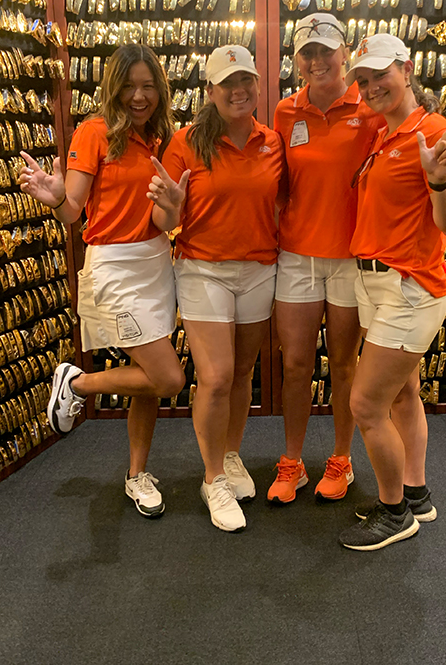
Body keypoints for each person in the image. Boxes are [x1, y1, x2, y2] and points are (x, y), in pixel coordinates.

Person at [19, 43, 186, 518]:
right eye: (130, 86)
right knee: (168, 378)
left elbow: (163, 212)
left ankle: (137, 474)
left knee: (150, 383)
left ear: (160, 89)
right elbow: (73, 208)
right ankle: (79, 385)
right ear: (113, 87)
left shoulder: (160, 137)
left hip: (156, 263)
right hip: (114, 266)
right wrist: (54, 198)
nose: (139, 96)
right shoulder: (93, 132)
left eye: (148, 86)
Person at [337, 33, 446, 551]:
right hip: (376, 279)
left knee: (366, 404)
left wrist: (439, 185)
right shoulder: (382, 132)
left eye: (379, 76)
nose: (370, 88)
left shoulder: (433, 132)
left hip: (409, 284)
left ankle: (394, 513)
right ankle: (416, 494)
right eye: (362, 81)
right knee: (404, 392)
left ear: (408, 69)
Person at [150, 45, 284, 532]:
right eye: (227, 83)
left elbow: (282, 202)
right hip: (203, 269)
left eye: (245, 80)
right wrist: (171, 205)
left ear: (257, 85)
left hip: (259, 268)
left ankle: (230, 455)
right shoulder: (186, 143)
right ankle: (212, 479)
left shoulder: (273, 141)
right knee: (217, 376)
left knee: (243, 369)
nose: (238, 91)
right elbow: (163, 217)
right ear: (210, 91)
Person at [267, 12, 382, 505]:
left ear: (345, 53)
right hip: (296, 255)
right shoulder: (284, 112)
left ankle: (341, 458)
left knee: (342, 364)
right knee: (295, 364)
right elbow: (280, 185)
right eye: (307, 53)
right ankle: (291, 461)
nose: (316, 61)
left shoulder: (369, 108)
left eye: (325, 51)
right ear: (297, 60)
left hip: (350, 258)